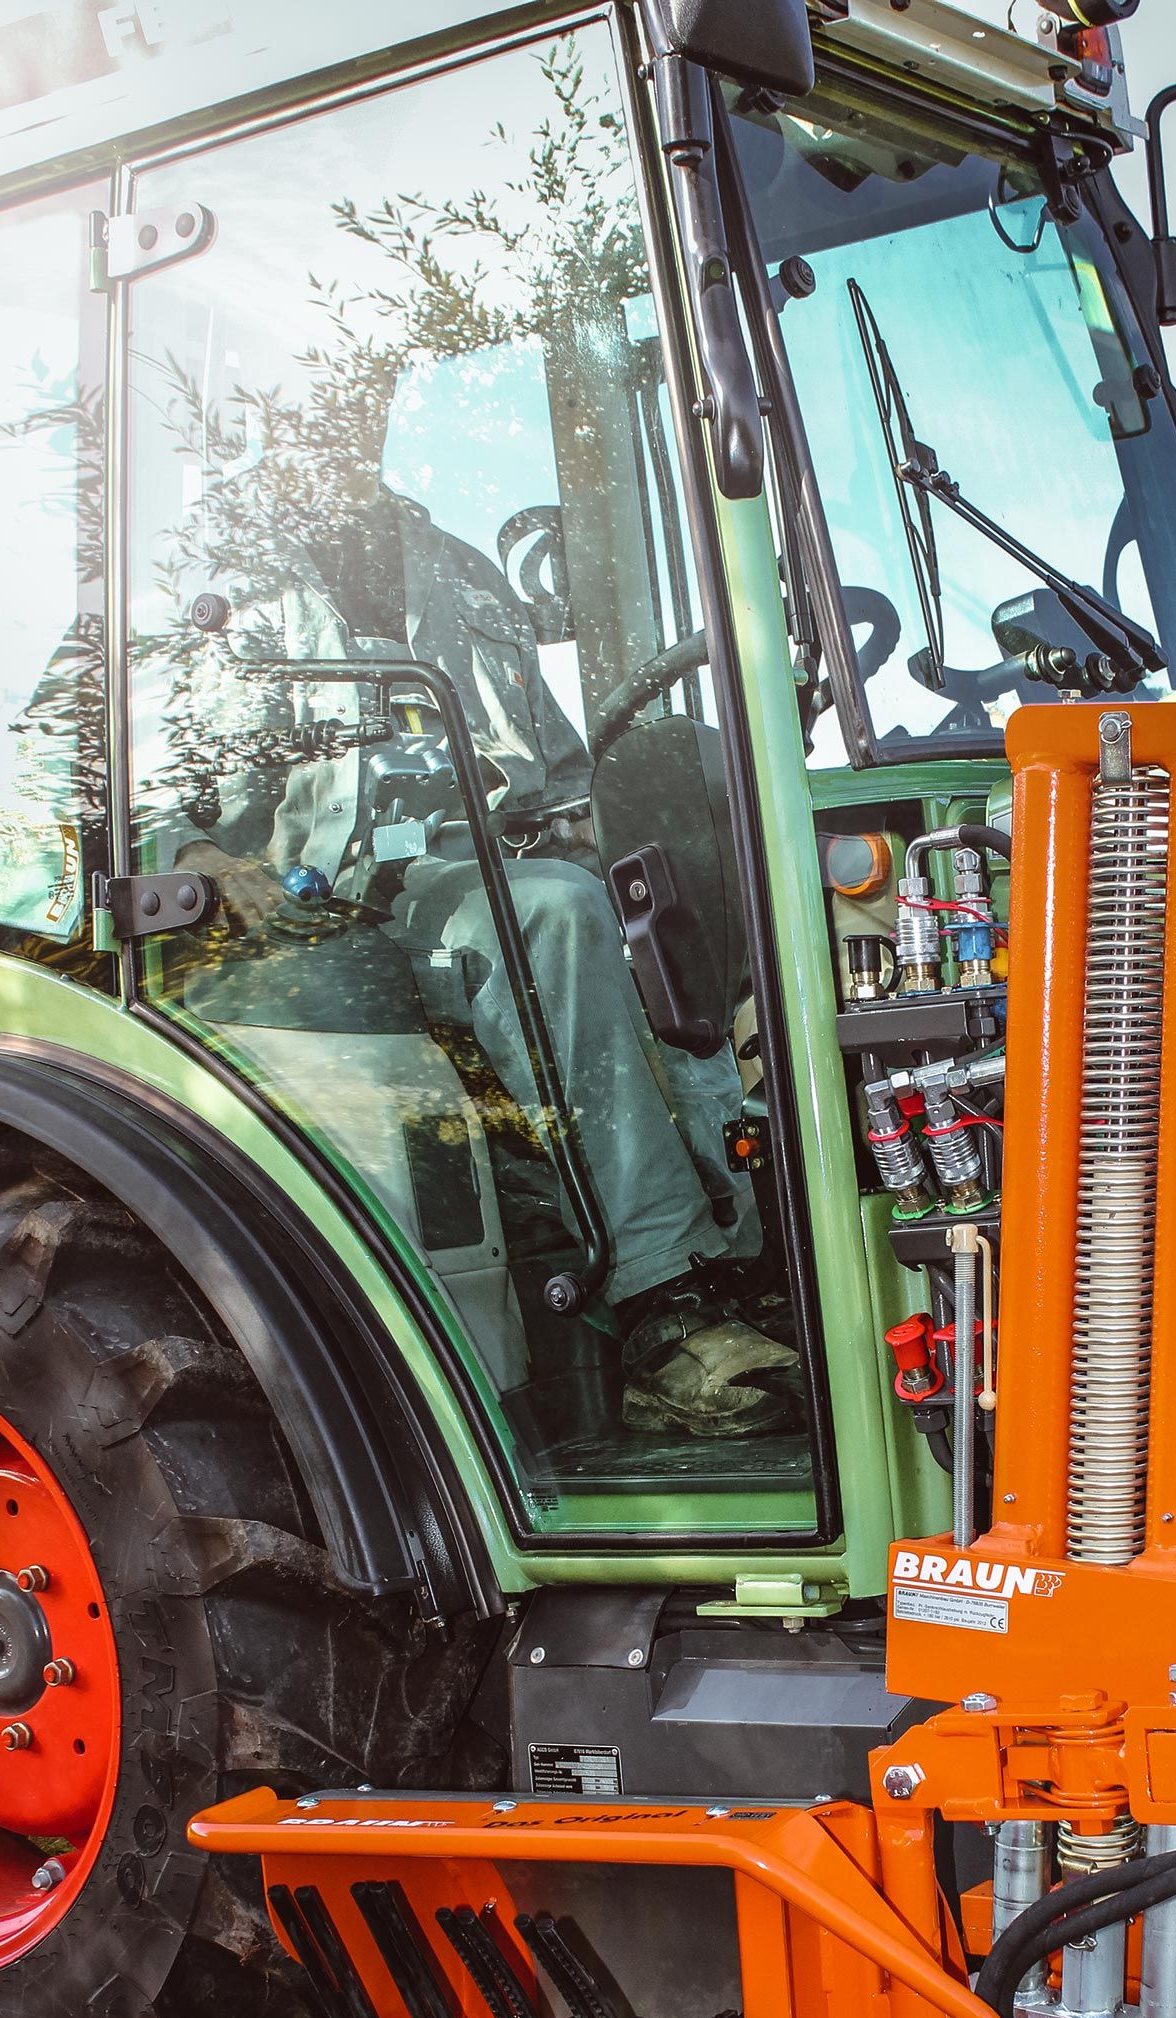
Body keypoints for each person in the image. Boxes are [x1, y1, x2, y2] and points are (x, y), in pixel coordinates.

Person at [167, 472, 801, 1443]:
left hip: (493, 858)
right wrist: (196, 853)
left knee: (656, 883)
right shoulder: (217, 578)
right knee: (559, 914)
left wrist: (604, 816)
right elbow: (118, 765)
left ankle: (750, 1256)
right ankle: (657, 1312)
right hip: (330, 899)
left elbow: (550, 761)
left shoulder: (457, 572)